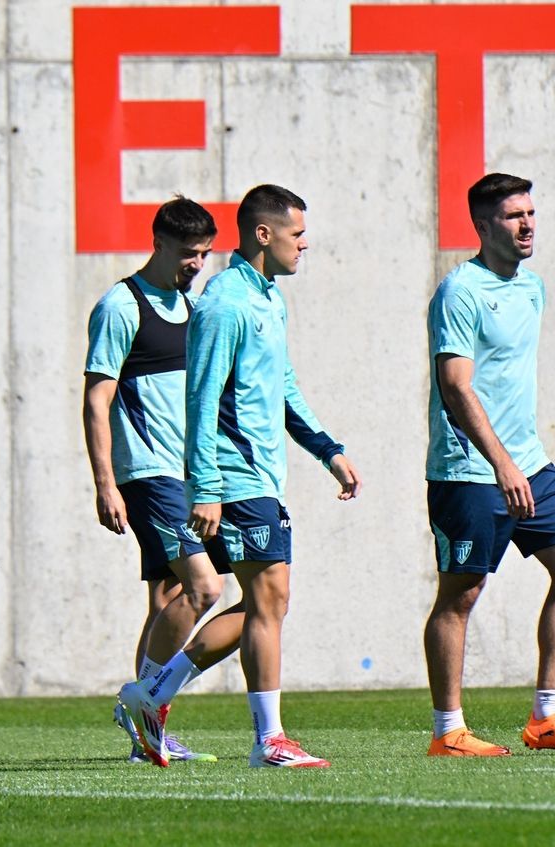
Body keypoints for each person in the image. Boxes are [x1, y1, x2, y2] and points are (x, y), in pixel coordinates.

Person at [122, 184, 362, 769]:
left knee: (267, 606)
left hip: (261, 476)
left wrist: (327, 449)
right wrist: (204, 488)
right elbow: (201, 401)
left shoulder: (269, 300)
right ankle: (268, 741)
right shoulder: (224, 303)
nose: (304, 244)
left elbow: (281, 388)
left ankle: (150, 695)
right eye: (296, 234)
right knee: (267, 598)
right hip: (233, 479)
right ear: (263, 234)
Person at [423, 172, 555, 756]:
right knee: (462, 593)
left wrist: (519, 461)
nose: (527, 224)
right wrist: (501, 463)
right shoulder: (460, 293)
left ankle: (547, 719)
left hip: (530, 462)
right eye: (513, 216)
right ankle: (448, 730)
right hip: (470, 469)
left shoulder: (532, 288)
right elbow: (456, 388)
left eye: (531, 213)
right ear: (482, 226)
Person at [83, 197, 244, 766]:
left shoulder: (191, 304)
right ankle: (145, 701)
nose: (197, 263)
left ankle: (147, 731)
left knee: (167, 598)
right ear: (158, 243)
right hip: (149, 474)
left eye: (204, 253)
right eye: (187, 253)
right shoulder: (120, 307)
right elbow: (97, 401)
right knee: (205, 588)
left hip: (190, 473)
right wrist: (106, 483)